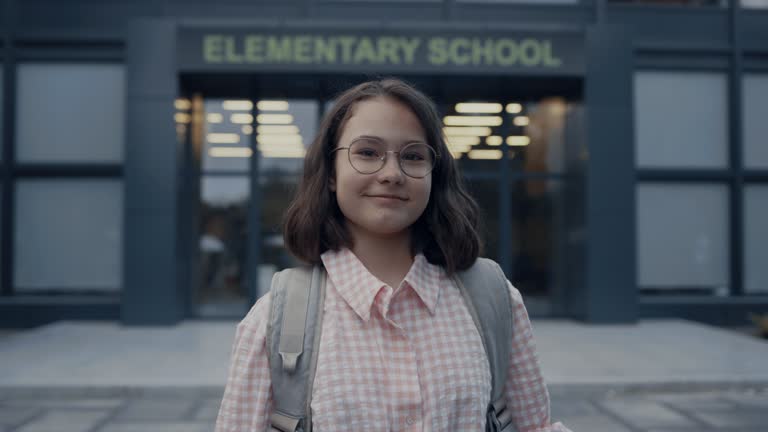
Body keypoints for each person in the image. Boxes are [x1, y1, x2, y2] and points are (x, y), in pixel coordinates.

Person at [215, 78, 572, 431]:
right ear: (331, 174)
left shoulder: (493, 298)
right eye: (368, 152)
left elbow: (534, 426)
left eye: (413, 156)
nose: (391, 173)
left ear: (434, 174)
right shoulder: (273, 321)